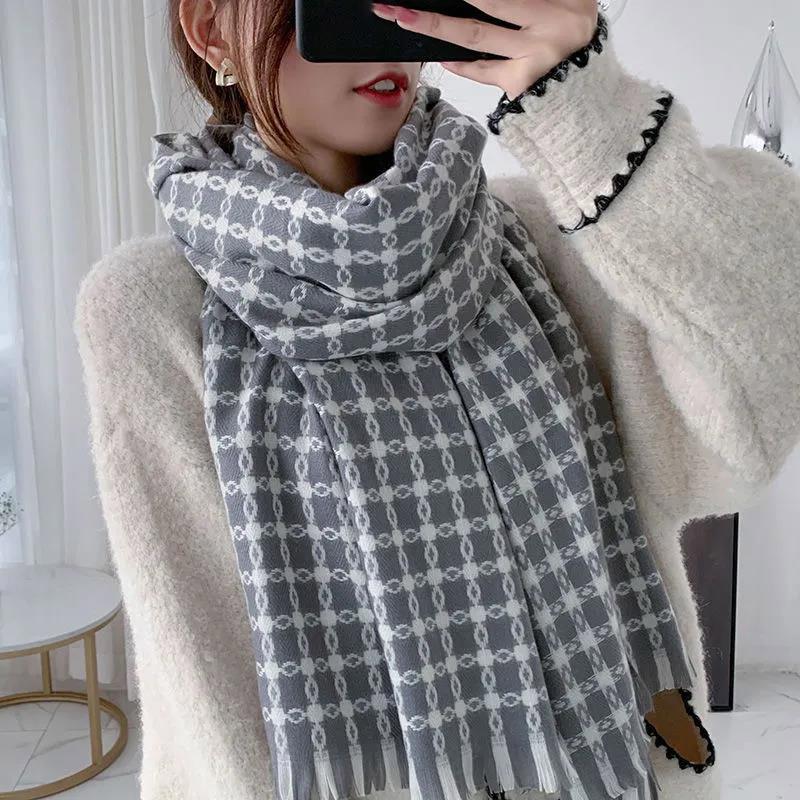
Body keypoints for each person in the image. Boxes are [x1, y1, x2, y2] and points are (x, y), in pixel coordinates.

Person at [73, 1, 800, 800]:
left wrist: (587, 106)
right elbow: (203, 681)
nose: (390, 26)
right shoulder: (150, 308)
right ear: (213, 29)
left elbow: (751, 418)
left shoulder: (553, 231)